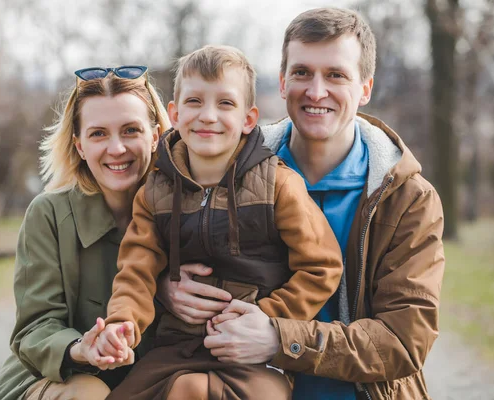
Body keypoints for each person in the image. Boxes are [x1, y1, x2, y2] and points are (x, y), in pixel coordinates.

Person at [159, 8, 445, 400]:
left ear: (365, 88)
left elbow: (403, 339)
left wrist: (281, 339)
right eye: (302, 72)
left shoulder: (408, 199)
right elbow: (150, 242)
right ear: (281, 82)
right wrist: (164, 286)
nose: (315, 91)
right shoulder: (223, 165)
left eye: (336, 75)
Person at [98, 45, 343, 400]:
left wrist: (268, 318)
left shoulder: (278, 184)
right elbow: (136, 269)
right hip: (175, 347)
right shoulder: (154, 190)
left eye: (225, 103)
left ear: (248, 118)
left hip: (253, 354)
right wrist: (123, 323)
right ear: (175, 113)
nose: (208, 116)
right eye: (195, 102)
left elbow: (321, 266)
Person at [0, 65, 171, 400]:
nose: (116, 148)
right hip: (54, 380)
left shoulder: (185, 211)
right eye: (98, 133)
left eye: (130, 130)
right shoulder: (49, 214)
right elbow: (34, 329)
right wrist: (79, 347)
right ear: (80, 145)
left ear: (155, 135)